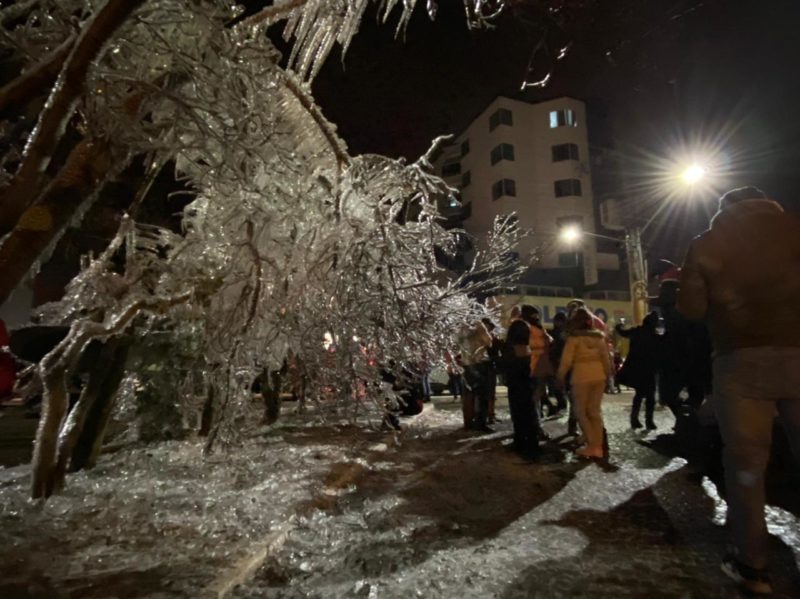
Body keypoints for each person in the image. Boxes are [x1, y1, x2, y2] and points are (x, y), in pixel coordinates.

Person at [677, 186, 800, 596]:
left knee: (746, 465)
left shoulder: (708, 243)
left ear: (724, 209)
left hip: (740, 359)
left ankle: (753, 565)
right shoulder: (794, 229)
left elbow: (691, 309)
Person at [557, 307, 612, 459]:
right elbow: (606, 360)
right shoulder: (599, 338)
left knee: (581, 411)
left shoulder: (574, 339)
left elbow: (566, 361)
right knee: (594, 411)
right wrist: (608, 377)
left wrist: (560, 376)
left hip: (581, 377)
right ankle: (598, 446)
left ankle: (592, 445)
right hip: (599, 376)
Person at [616, 312, 662, 430]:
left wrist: (619, 325)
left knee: (639, 394)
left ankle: (634, 419)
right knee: (650, 396)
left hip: (637, 368)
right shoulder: (655, 336)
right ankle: (649, 421)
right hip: (649, 369)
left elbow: (622, 332)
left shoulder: (636, 332)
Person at [504, 304, 539, 457]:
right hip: (524, 372)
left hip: (518, 373)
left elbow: (520, 349)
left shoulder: (518, 326)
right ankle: (528, 440)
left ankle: (524, 442)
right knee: (527, 408)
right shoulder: (527, 327)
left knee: (520, 408)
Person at [457, 320, 493, 432]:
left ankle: (467, 423)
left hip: (466, 364)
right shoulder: (478, 324)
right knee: (482, 395)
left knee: (467, 395)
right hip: (479, 363)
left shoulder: (459, 325)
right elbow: (489, 341)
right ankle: (480, 424)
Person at [526, 306, 553, 439]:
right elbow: (546, 341)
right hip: (535, 366)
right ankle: (536, 427)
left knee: (537, 397)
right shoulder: (531, 328)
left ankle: (536, 425)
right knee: (535, 398)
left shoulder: (535, 328)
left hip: (538, 365)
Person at [546, 312, 569, 414]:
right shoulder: (566, 334)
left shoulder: (555, 333)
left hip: (556, 361)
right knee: (559, 384)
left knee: (557, 384)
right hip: (559, 361)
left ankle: (561, 403)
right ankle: (562, 403)